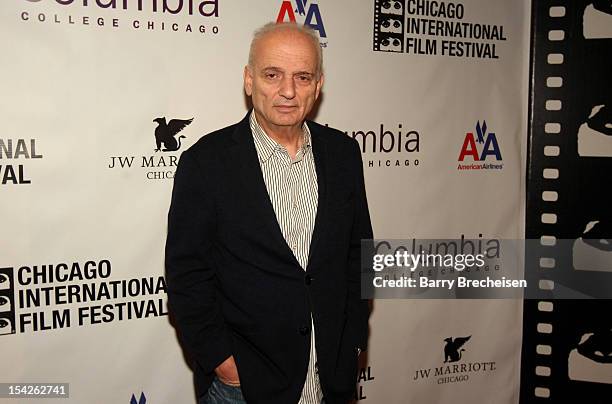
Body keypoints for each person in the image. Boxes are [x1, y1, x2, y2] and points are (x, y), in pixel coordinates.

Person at [165, 22, 372, 404]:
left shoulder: (343, 155)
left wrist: (354, 338)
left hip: (331, 378)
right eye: (272, 75)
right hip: (245, 387)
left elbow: (359, 255)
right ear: (249, 80)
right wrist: (223, 362)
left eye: (302, 76)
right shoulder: (206, 163)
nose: (288, 91)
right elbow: (186, 274)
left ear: (318, 84)